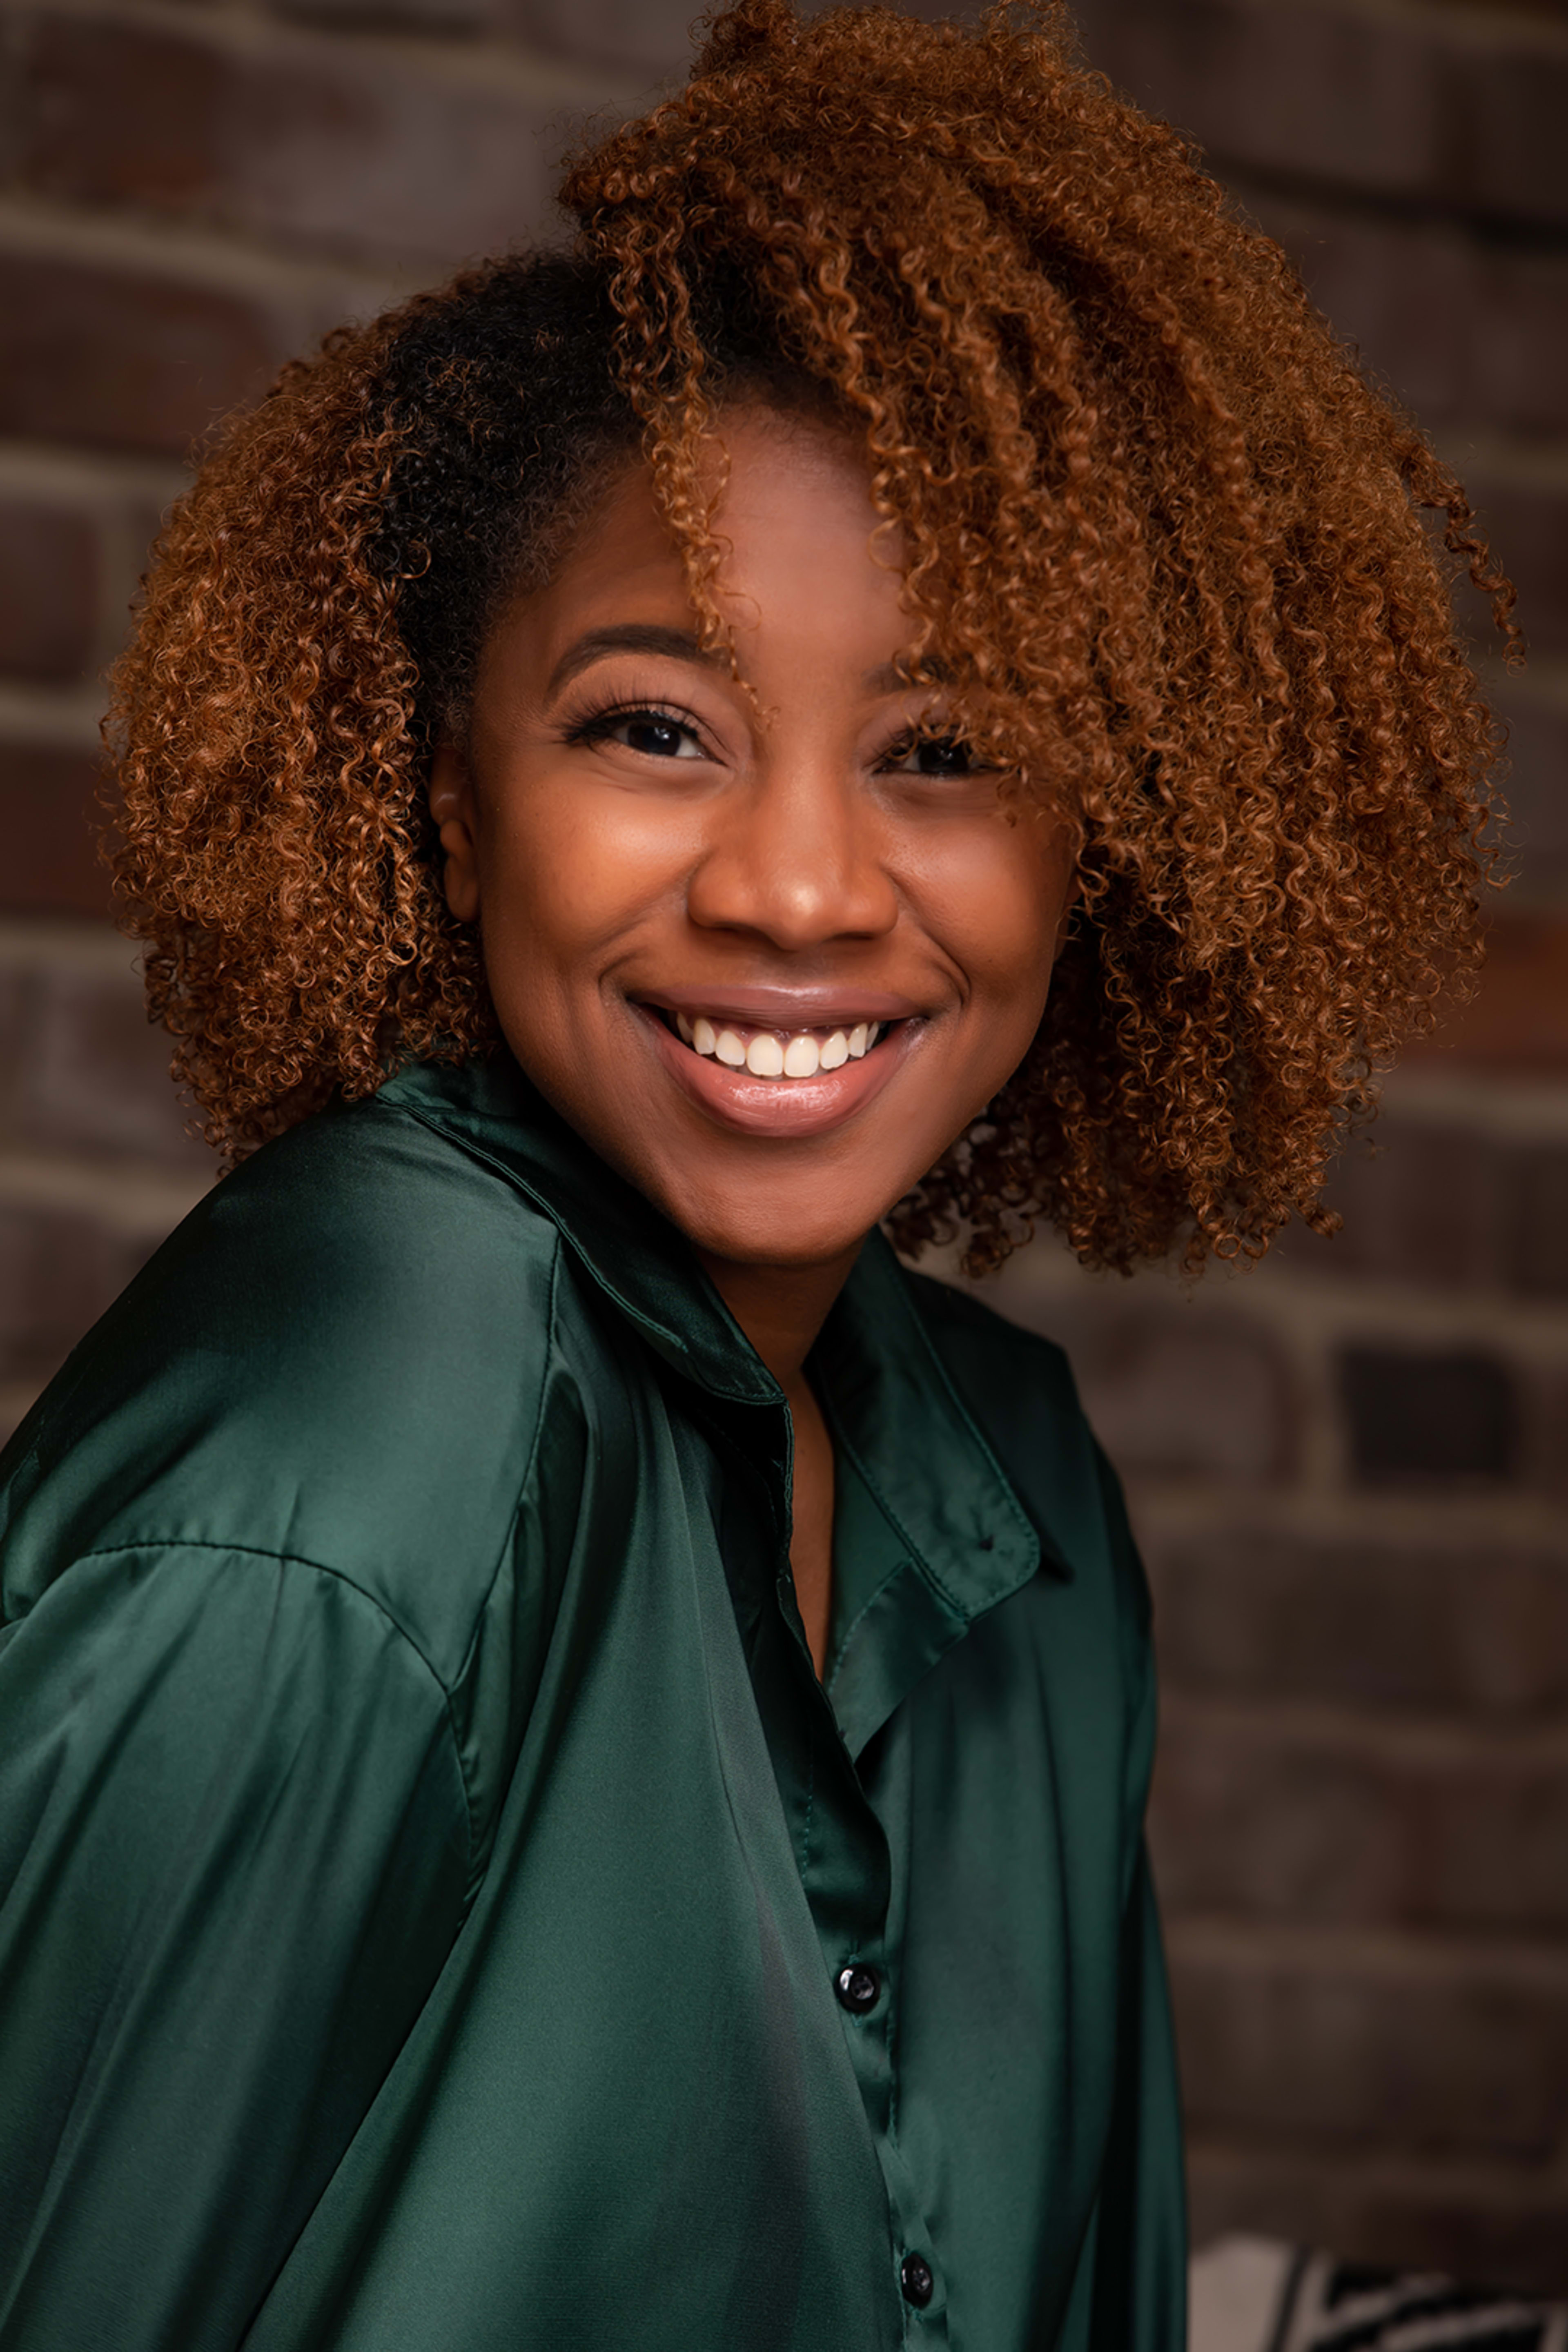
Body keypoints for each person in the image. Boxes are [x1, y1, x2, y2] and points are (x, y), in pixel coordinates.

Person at [0, 2, 1511, 2346]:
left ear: (1094, 838)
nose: (800, 888)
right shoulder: (371, 1403)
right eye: (653, 727)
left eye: (944, 750)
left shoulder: (1033, 1517)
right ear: (445, 783)